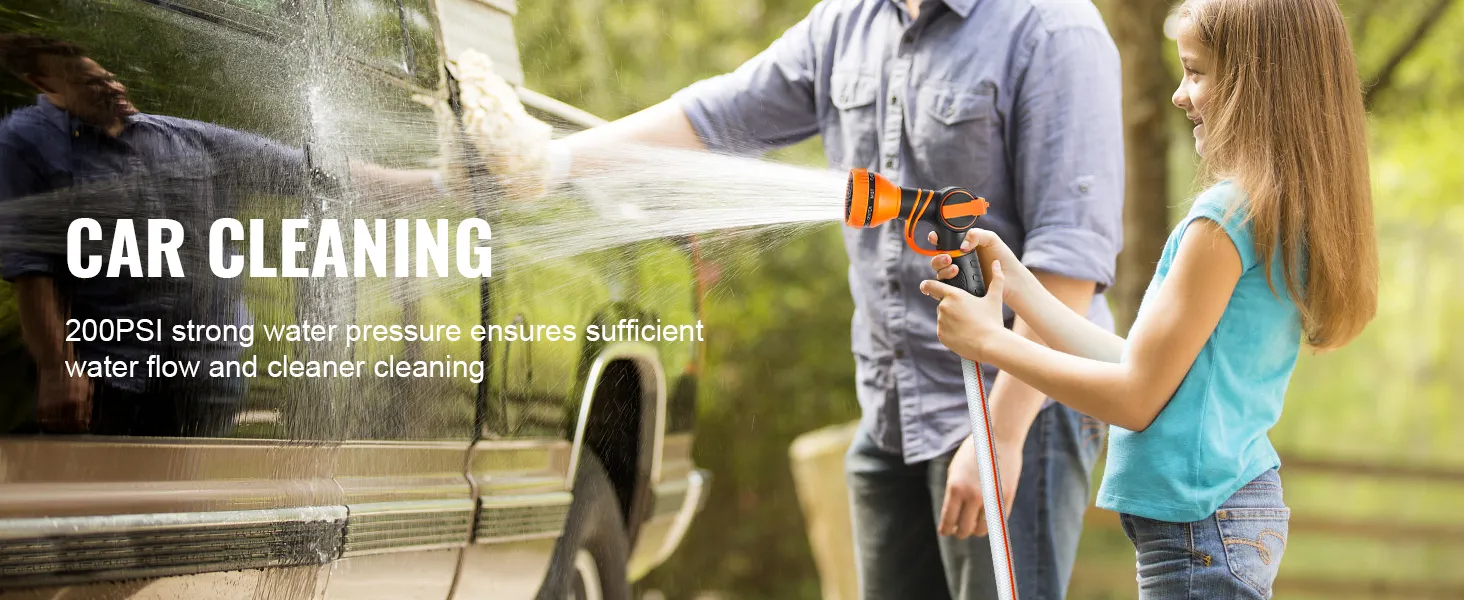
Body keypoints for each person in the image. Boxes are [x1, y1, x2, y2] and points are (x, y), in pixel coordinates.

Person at [548, 0, 1124, 598]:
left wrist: (1001, 436)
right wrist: (555, 162)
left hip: (1015, 405)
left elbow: (1069, 265)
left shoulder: (1054, 29)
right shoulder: (845, 23)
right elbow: (711, 117)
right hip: (892, 415)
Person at [919, 0, 1376, 597]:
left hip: (1201, 531)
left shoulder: (1222, 223)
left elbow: (1134, 399)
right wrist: (1016, 280)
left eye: (1197, 72)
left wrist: (990, 342)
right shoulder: (1275, 214)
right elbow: (1138, 364)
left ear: (1257, 84)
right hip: (1223, 516)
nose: (1179, 95)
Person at [0, 34, 443, 436]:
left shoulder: (184, 138)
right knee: (99, 515)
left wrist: (441, 184)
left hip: (208, 379)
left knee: (183, 518)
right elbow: (34, 272)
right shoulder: (30, 149)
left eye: (110, 78)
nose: (113, 89)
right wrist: (59, 370)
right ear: (47, 87)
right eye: (91, 84)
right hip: (113, 381)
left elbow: (313, 173)